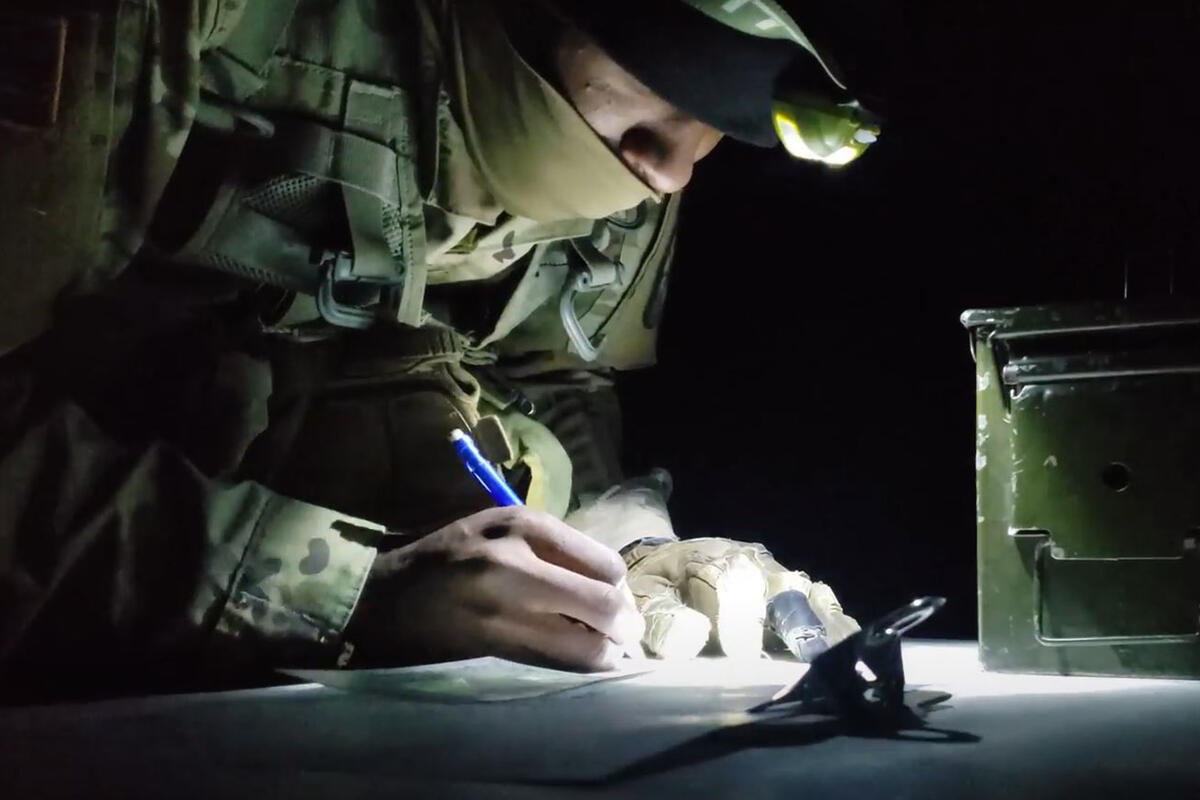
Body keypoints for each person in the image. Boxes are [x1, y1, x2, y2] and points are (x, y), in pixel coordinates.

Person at [0, 0, 880, 691]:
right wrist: (347, 591)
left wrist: (633, 549)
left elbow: (560, 375)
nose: (673, 170)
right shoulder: (186, 25)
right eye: (671, 62)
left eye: (747, 103)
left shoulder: (630, 151)